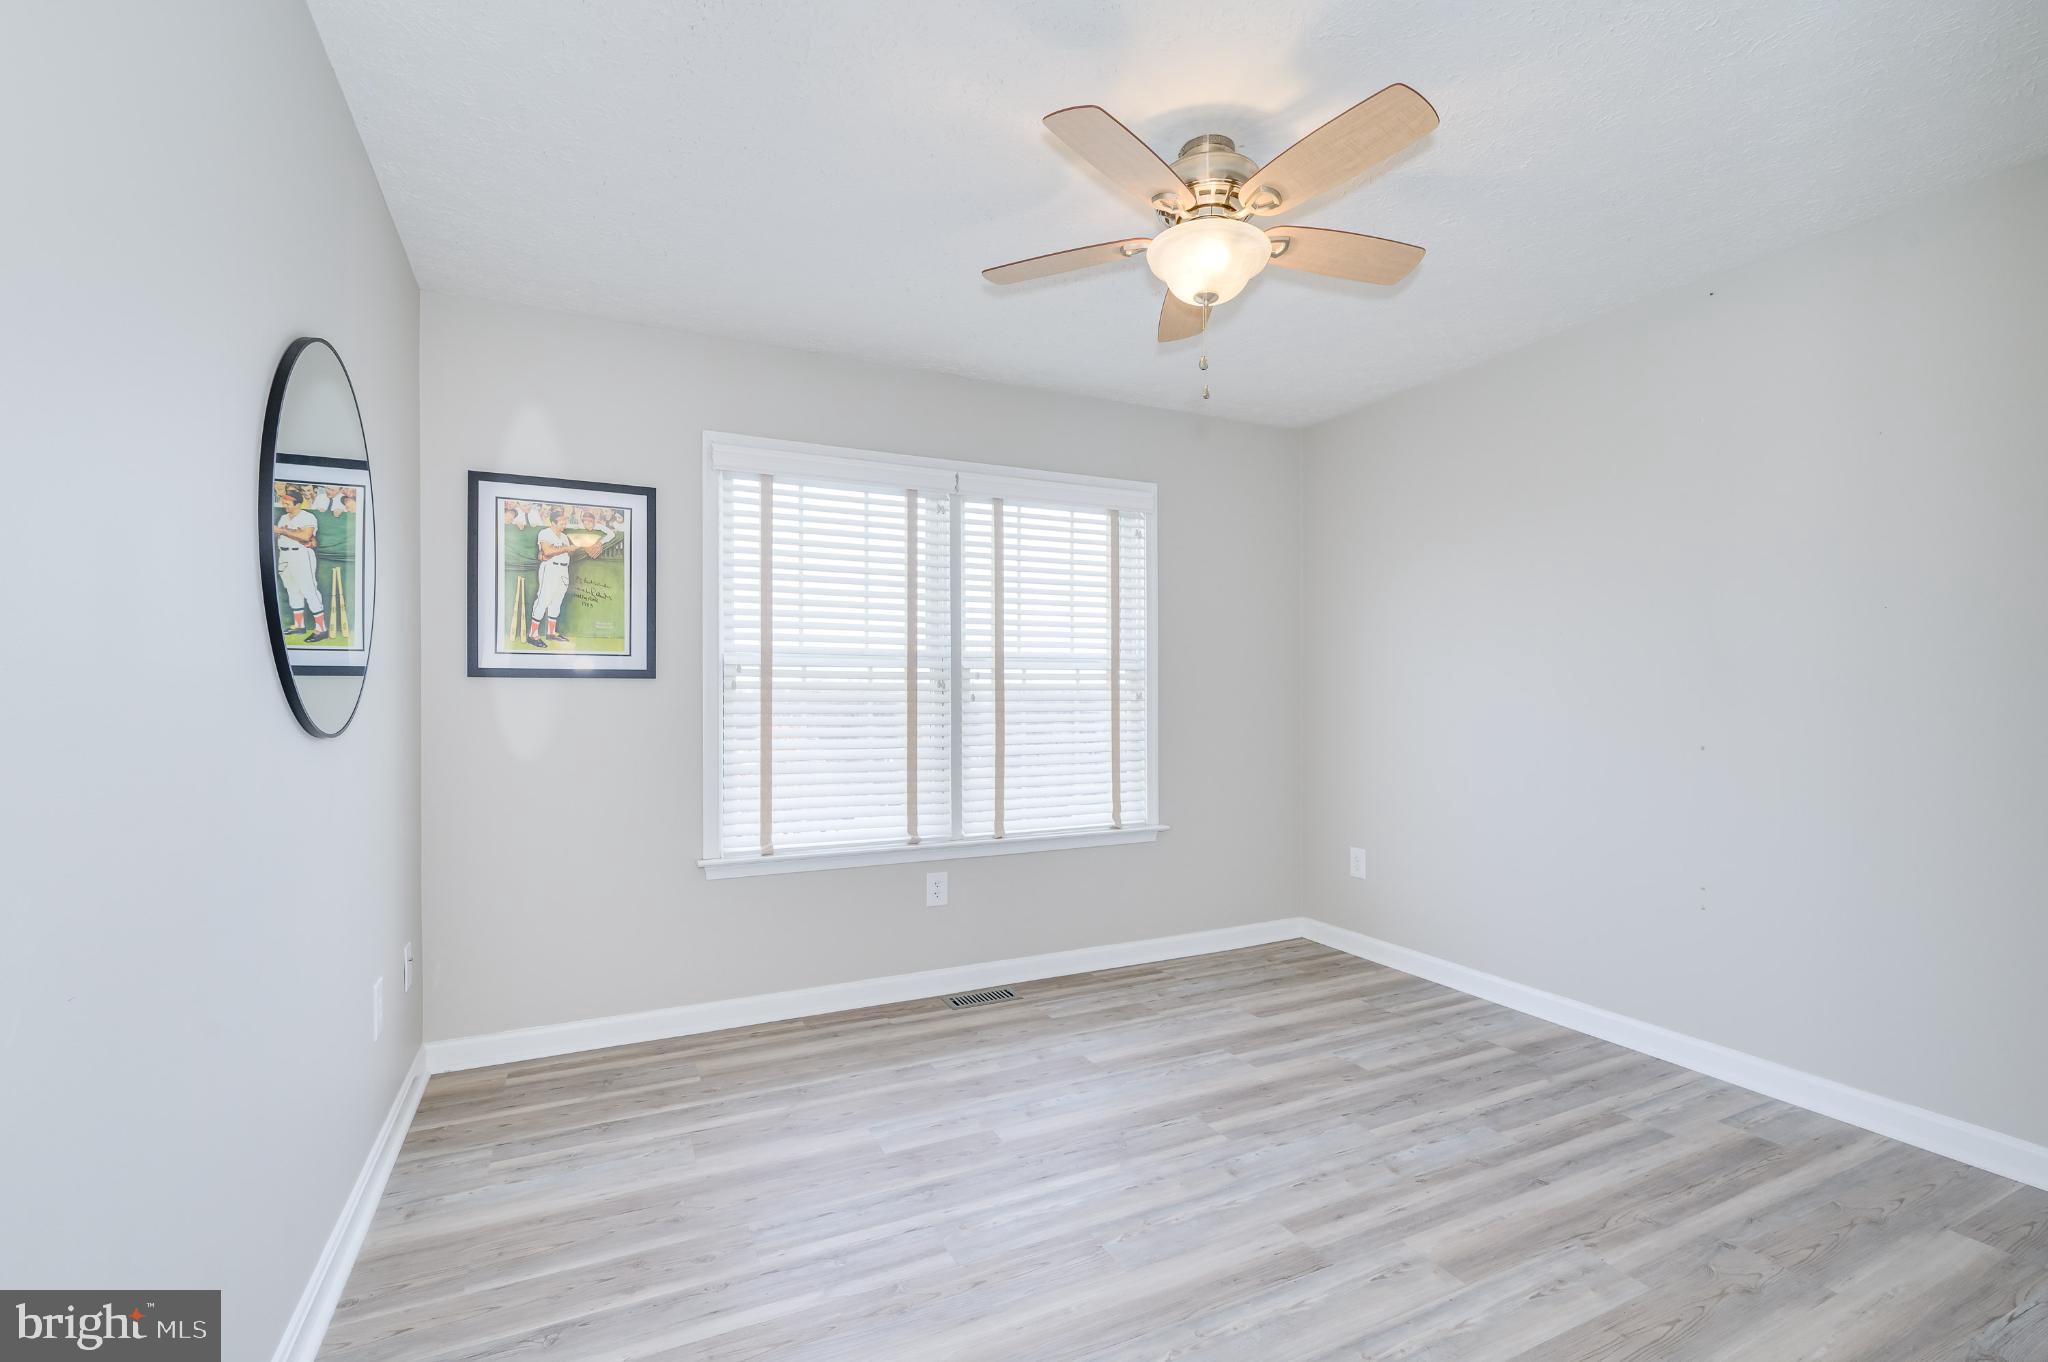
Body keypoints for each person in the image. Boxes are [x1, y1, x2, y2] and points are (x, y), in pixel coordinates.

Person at [274, 484, 329, 643]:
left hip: (301, 555)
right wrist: (291, 533)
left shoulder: (308, 517)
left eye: (288, 503)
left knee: (309, 590)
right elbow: (282, 535)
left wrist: (284, 531)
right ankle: (299, 625)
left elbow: (306, 537)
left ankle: (321, 629)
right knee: (292, 590)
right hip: (284, 554)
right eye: (284, 502)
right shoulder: (283, 518)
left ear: (298, 504)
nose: (285, 505)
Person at [527, 505, 575, 648]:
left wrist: (571, 548)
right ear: (553, 523)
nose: (564, 525)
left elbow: (566, 552)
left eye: (565, 522)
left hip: (563, 570)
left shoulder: (564, 536)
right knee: (543, 600)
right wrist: (565, 548)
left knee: (557, 601)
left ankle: (551, 633)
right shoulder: (545, 533)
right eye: (561, 523)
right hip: (550, 569)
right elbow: (547, 552)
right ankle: (532, 635)